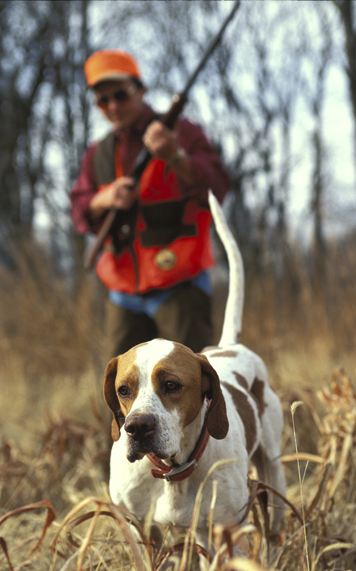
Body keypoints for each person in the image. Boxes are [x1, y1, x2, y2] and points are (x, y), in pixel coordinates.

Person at [70, 49, 230, 358]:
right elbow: (79, 210)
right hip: (123, 293)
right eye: (104, 100)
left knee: (195, 392)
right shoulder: (98, 153)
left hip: (180, 284)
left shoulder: (182, 132)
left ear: (141, 90)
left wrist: (176, 156)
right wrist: (103, 199)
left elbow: (218, 189)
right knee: (123, 395)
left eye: (120, 95)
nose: (113, 106)